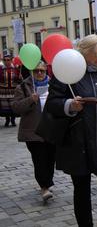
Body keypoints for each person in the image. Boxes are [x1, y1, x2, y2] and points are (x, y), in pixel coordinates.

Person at [43, 34, 97, 227]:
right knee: (81, 191)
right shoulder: (67, 74)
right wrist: (69, 104)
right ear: (86, 53)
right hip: (78, 142)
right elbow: (52, 104)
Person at [12, 61, 55, 202]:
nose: (40, 73)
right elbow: (16, 107)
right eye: (36, 71)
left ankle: (47, 182)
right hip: (33, 131)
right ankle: (44, 187)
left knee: (50, 159)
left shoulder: (53, 85)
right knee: (39, 159)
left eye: (42, 70)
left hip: (51, 129)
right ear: (32, 71)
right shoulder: (24, 86)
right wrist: (31, 99)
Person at [0, 51, 22, 127]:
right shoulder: (0, 69)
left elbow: (20, 80)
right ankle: (7, 120)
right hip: (3, 91)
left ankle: (13, 120)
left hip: (13, 91)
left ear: (11, 60)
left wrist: (20, 78)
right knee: (5, 106)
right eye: (5, 60)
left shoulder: (16, 69)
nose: (6, 61)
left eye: (8, 60)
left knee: (13, 106)